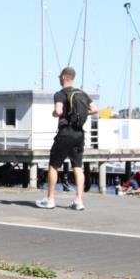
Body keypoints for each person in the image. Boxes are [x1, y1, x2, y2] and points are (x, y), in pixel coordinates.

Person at [37, 67, 97, 210]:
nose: (59, 79)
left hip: (65, 133)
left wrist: (55, 113)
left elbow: (58, 111)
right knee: (77, 167)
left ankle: (50, 199)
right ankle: (78, 201)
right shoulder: (82, 94)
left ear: (64, 77)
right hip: (79, 134)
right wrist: (80, 115)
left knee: (54, 165)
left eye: (60, 77)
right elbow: (94, 109)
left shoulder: (60, 94)